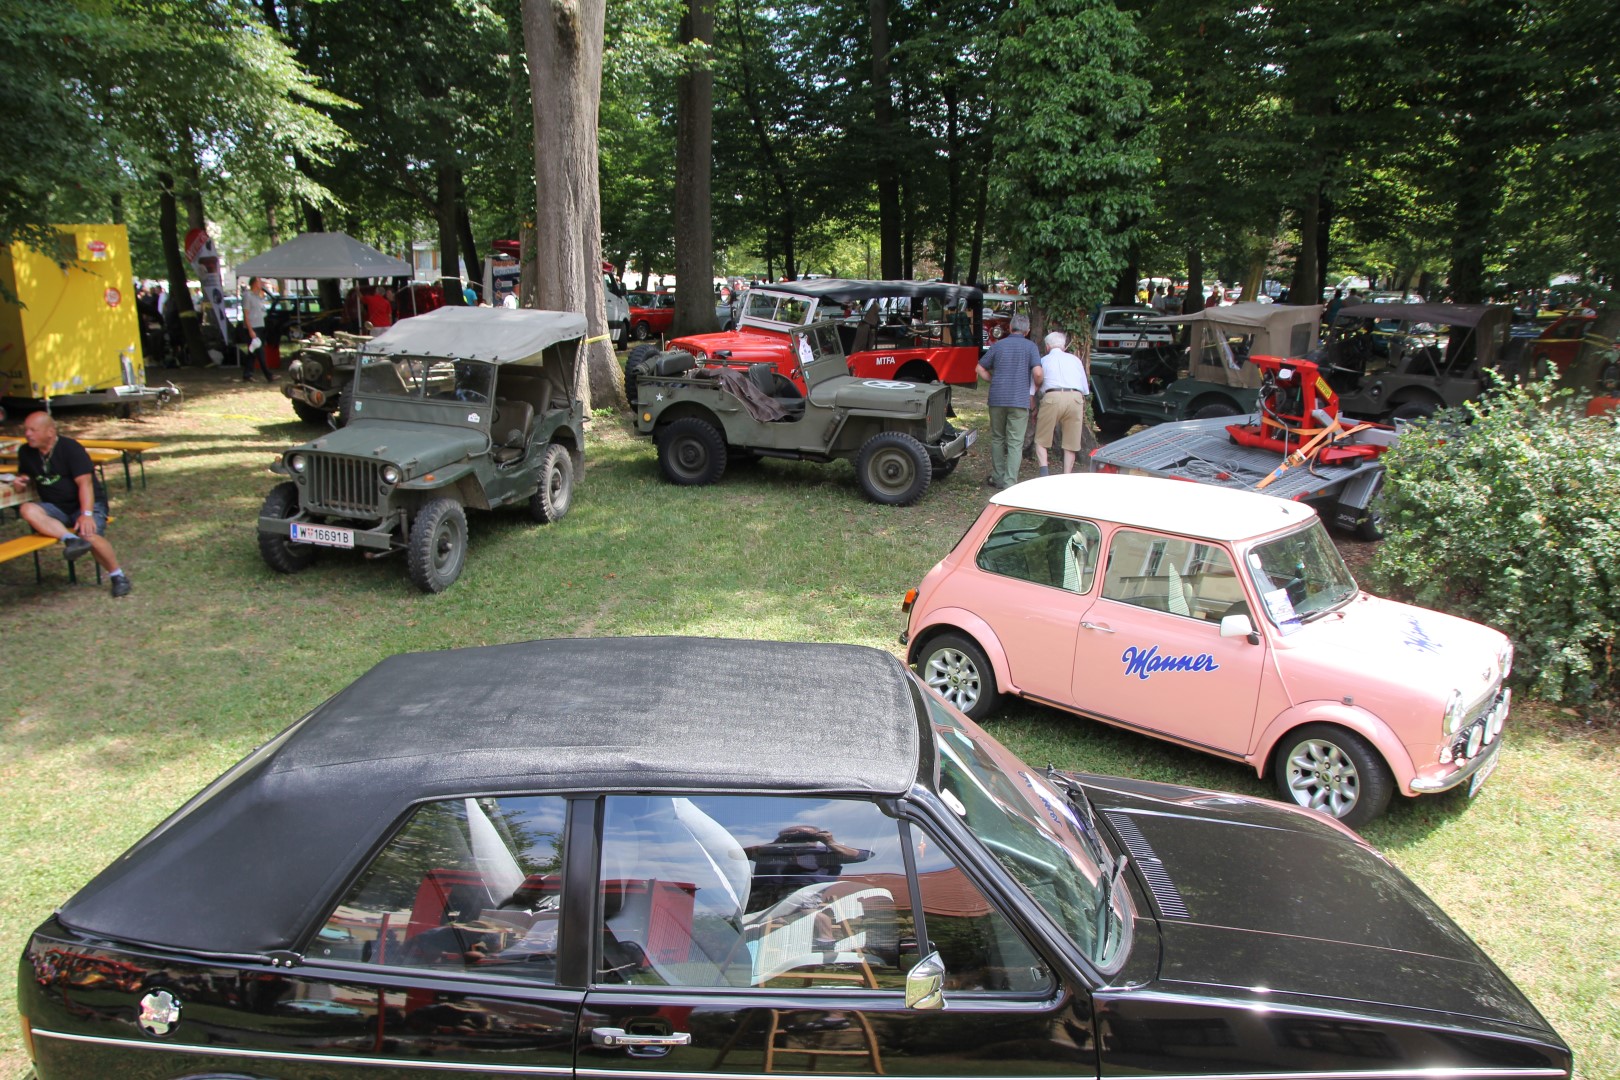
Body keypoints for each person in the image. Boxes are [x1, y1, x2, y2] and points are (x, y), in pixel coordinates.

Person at [10, 412, 131, 597]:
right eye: (26, 430)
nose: (27, 434)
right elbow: (26, 473)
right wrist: (22, 480)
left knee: (88, 534)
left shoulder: (70, 448)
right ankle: (69, 539)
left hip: (86, 503)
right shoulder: (26, 452)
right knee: (27, 509)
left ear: (50, 432)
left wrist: (86, 514)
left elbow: (86, 484)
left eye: (33, 430)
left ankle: (118, 576)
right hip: (55, 507)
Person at [976, 312, 1041, 490]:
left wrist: (992, 380)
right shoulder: (1031, 347)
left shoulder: (998, 345)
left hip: (997, 398)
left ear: (1010, 328)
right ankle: (1010, 482)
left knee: (997, 438)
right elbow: (1037, 373)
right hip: (1019, 399)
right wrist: (1038, 386)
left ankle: (997, 477)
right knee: (1015, 442)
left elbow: (980, 368)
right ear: (1027, 331)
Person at [1033, 330, 1091, 476]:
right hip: (1075, 397)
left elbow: (1036, 382)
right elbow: (1085, 388)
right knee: (1071, 443)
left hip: (1052, 397)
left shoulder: (1044, 360)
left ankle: (1044, 474)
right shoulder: (1075, 360)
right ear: (1064, 346)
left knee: (1041, 439)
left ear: (1047, 347)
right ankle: (1066, 476)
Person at [240, 277, 275, 383]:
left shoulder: (258, 296)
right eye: (259, 282)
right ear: (254, 283)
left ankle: (247, 375)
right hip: (253, 328)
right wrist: (250, 330)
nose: (261, 284)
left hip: (260, 326)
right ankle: (269, 376)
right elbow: (246, 314)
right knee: (260, 351)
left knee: (252, 352)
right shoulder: (247, 296)